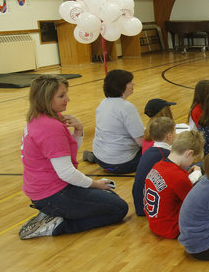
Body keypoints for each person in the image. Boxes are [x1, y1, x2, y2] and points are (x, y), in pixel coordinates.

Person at [18, 75, 128, 240]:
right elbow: (66, 172)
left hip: (46, 190)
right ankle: (58, 225)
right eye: (61, 96)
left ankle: (53, 214)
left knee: (111, 199)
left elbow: (65, 157)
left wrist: (78, 131)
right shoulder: (50, 128)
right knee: (118, 209)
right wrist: (95, 185)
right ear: (46, 99)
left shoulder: (39, 119)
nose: (67, 99)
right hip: (54, 193)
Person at [144, 130, 204, 239]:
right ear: (189, 153)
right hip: (173, 229)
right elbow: (197, 206)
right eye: (193, 159)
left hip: (155, 223)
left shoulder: (158, 165)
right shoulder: (179, 178)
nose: (192, 162)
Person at [89, 69, 145, 174]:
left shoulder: (103, 103)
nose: (133, 84)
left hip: (100, 159)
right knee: (159, 150)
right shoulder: (127, 107)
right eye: (129, 82)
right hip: (122, 164)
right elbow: (141, 141)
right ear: (121, 86)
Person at [133, 117, 176, 216]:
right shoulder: (165, 155)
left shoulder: (150, 151)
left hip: (141, 203)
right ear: (169, 136)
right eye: (175, 132)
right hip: (150, 206)